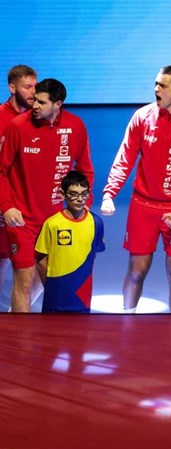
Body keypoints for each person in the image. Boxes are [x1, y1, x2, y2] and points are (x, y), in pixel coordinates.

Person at [100, 65, 171, 313]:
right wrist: (109, 193)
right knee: (136, 271)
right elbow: (125, 157)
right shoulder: (142, 116)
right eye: (155, 83)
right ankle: (127, 323)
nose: (155, 89)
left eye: (162, 85)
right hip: (143, 206)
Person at [0, 78, 93, 312]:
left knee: (52, 282)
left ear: (58, 104)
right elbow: (1, 171)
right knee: (23, 280)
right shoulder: (17, 126)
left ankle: (41, 328)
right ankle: (21, 333)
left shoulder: (76, 126)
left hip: (55, 221)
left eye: (41, 102)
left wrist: (85, 202)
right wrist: (7, 206)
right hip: (21, 221)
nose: (35, 106)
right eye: (34, 100)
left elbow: (85, 170)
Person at [35, 171, 105, 313]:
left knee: (81, 326)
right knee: (52, 327)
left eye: (84, 194)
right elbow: (41, 261)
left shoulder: (96, 222)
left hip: (82, 295)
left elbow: (93, 255)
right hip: (55, 296)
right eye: (73, 194)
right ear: (63, 194)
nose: (79, 199)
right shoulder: (52, 223)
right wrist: (51, 286)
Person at [0, 65, 37, 299]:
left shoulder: (38, 118)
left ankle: (18, 310)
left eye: (35, 86)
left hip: (30, 205)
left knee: (38, 268)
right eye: (27, 87)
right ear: (12, 88)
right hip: (5, 203)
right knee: (2, 259)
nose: (33, 92)